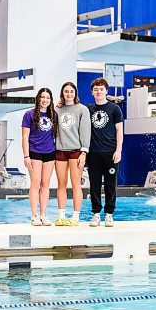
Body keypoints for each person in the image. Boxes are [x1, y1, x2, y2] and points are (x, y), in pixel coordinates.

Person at [87, 77, 123, 227]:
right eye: (96, 89)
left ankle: (109, 214)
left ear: (106, 91)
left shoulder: (115, 109)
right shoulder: (88, 109)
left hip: (110, 153)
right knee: (94, 185)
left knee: (110, 185)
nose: (99, 92)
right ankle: (96, 215)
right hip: (93, 153)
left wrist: (118, 150)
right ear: (92, 92)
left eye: (101, 89)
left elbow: (119, 130)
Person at [54, 81, 91, 226]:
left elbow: (85, 131)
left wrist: (84, 152)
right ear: (62, 93)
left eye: (71, 91)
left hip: (76, 151)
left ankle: (75, 217)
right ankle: (61, 216)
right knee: (61, 184)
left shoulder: (82, 109)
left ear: (75, 93)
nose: (68, 94)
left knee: (76, 184)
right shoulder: (57, 110)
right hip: (60, 151)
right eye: (66, 91)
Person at [22, 88, 58, 226]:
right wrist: (26, 156)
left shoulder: (53, 115)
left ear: (51, 100)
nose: (45, 100)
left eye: (48, 97)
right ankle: (34, 215)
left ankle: (43, 214)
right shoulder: (29, 114)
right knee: (35, 183)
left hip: (49, 152)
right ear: (38, 98)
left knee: (45, 184)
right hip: (34, 152)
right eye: (42, 97)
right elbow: (25, 137)